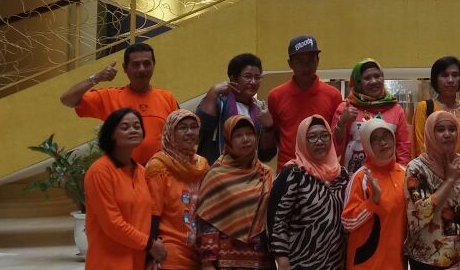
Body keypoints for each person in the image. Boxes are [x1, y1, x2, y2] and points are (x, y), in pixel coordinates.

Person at [62, 42, 179, 164]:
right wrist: (96, 78)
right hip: (124, 172)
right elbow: (67, 99)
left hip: (162, 171)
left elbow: (180, 136)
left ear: (153, 65)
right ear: (125, 68)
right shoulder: (110, 97)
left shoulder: (167, 97)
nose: (142, 69)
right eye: (135, 64)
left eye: (147, 64)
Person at [84, 108, 166, 270]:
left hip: (138, 260)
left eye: (137, 126)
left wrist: (150, 252)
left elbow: (149, 215)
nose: (133, 130)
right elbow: (112, 223)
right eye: (125, 127)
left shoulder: (142, 172)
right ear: (111, 134)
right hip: (109, 262)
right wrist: (149, 244)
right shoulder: (99, 172)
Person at [268, 116, 350, 270]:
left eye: (324, 136)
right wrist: (281, 258)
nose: (319, 142)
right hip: (301, 261)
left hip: (336, 262)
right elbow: (278, 220)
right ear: (301, 141)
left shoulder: (342, 175)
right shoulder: (293, 174)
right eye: (312, 137)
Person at [195, 116, 274, 270]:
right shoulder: (216, 175)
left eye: (249, 134)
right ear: (228, 140)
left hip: (261, 260)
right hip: (225, 261)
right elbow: (206, 221)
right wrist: (207, 262)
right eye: (238, 135)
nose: (245, 139)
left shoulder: (266, 173)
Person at [405, 111, 460, 270]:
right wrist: (450, 180)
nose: (447, 134)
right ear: (430, 133)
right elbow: (422, 213)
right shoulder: (416, 169)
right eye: (440, 129)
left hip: (459, 259)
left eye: (452, 129)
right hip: (425, 260)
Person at [267, 35, 343, 171]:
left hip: (323, 169)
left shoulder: (333, 95)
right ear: (290, 63)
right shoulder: (275, 96)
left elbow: (335, 135)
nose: (306, 65)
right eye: (299, 61)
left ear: (318, 61)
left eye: (311, 60)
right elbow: (277, 134)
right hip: (288, 169)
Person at [146, 109, 210, 270]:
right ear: (170, 132)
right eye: (182, 128)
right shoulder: (158, 166)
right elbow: (152, 213)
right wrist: (151, 249)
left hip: (201, 251)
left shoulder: (203, 166)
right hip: (170, 251)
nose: (189, 132)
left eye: (193, 127)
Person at [342, 119, 407, 270]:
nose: (383, 142)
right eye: (375, 139)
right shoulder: (361, 177)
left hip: (397, 263)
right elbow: (348, 222)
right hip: (367, 263)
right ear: (367, 145)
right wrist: (372, 202)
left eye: (386, 136)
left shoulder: (406, 173)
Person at [332, 59, 411, 174]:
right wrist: (342, 122)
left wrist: (402, 174)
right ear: (358, 83)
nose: (374, 81)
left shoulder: (396, 109)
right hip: (352, 176)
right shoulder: (346, 107)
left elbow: (403, 147)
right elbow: (333, 148)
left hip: (387, 176)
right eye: (367, 78)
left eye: (377, 76)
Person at [197, 53, 276, 164]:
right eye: (248, 76)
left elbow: (266, 156)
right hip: (218, 171)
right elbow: (199, 131)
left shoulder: (260, 109)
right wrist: (212, 92)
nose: (253, 82)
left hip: (249, 172)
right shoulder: (218, 102)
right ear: (233, 78)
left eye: (257, 78)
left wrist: (269, 128)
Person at [412, 56, 460, 166]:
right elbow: (419, 146)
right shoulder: (425, 108)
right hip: (432, 173)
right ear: (436, 79)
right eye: (444, 75)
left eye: (455, 75)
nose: (450, 80)